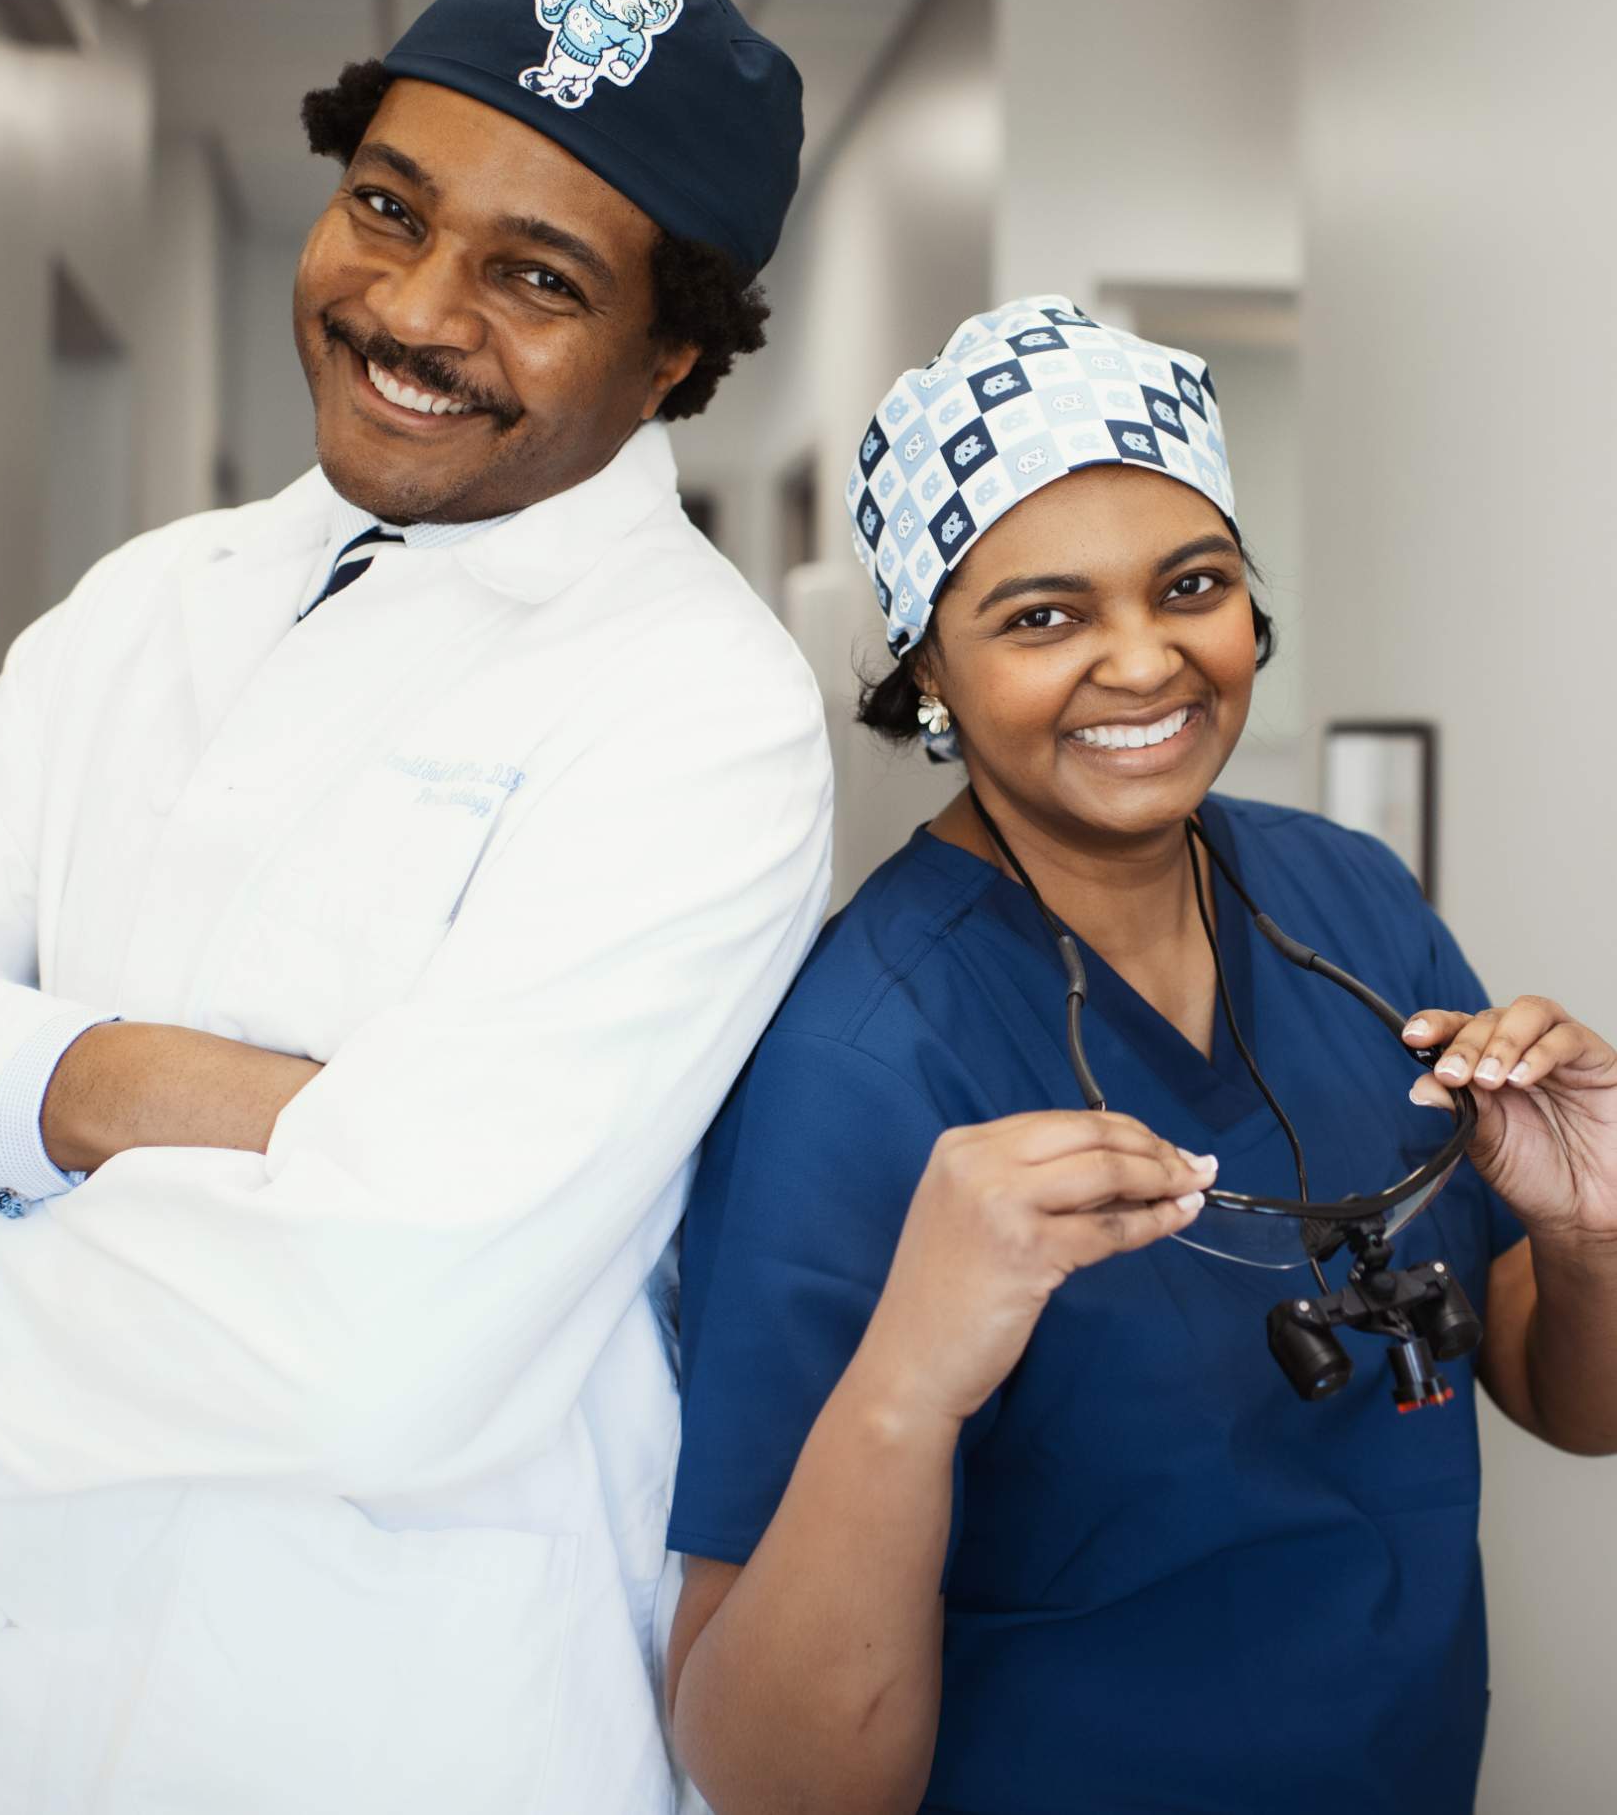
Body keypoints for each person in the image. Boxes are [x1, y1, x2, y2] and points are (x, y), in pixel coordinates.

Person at [0, 0, 830, 1815]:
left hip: (388, 1714)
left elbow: (377, 1332)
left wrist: (15, 1112)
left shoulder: (700, 709)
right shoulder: (145, 602)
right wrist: (114, 1087)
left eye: (534, 275)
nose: (417, 311)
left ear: (675, 352)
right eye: (386, 207)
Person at [663, 297, 1617, 1815]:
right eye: (1041, 617)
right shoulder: (855, 1061)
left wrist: (1586, 1234)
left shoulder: (1347, 902)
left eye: (1192, 586)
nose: (1142, 661)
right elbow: (766, 1773)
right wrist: (908, 1374)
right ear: (923, 674)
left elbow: (1573, 1400)